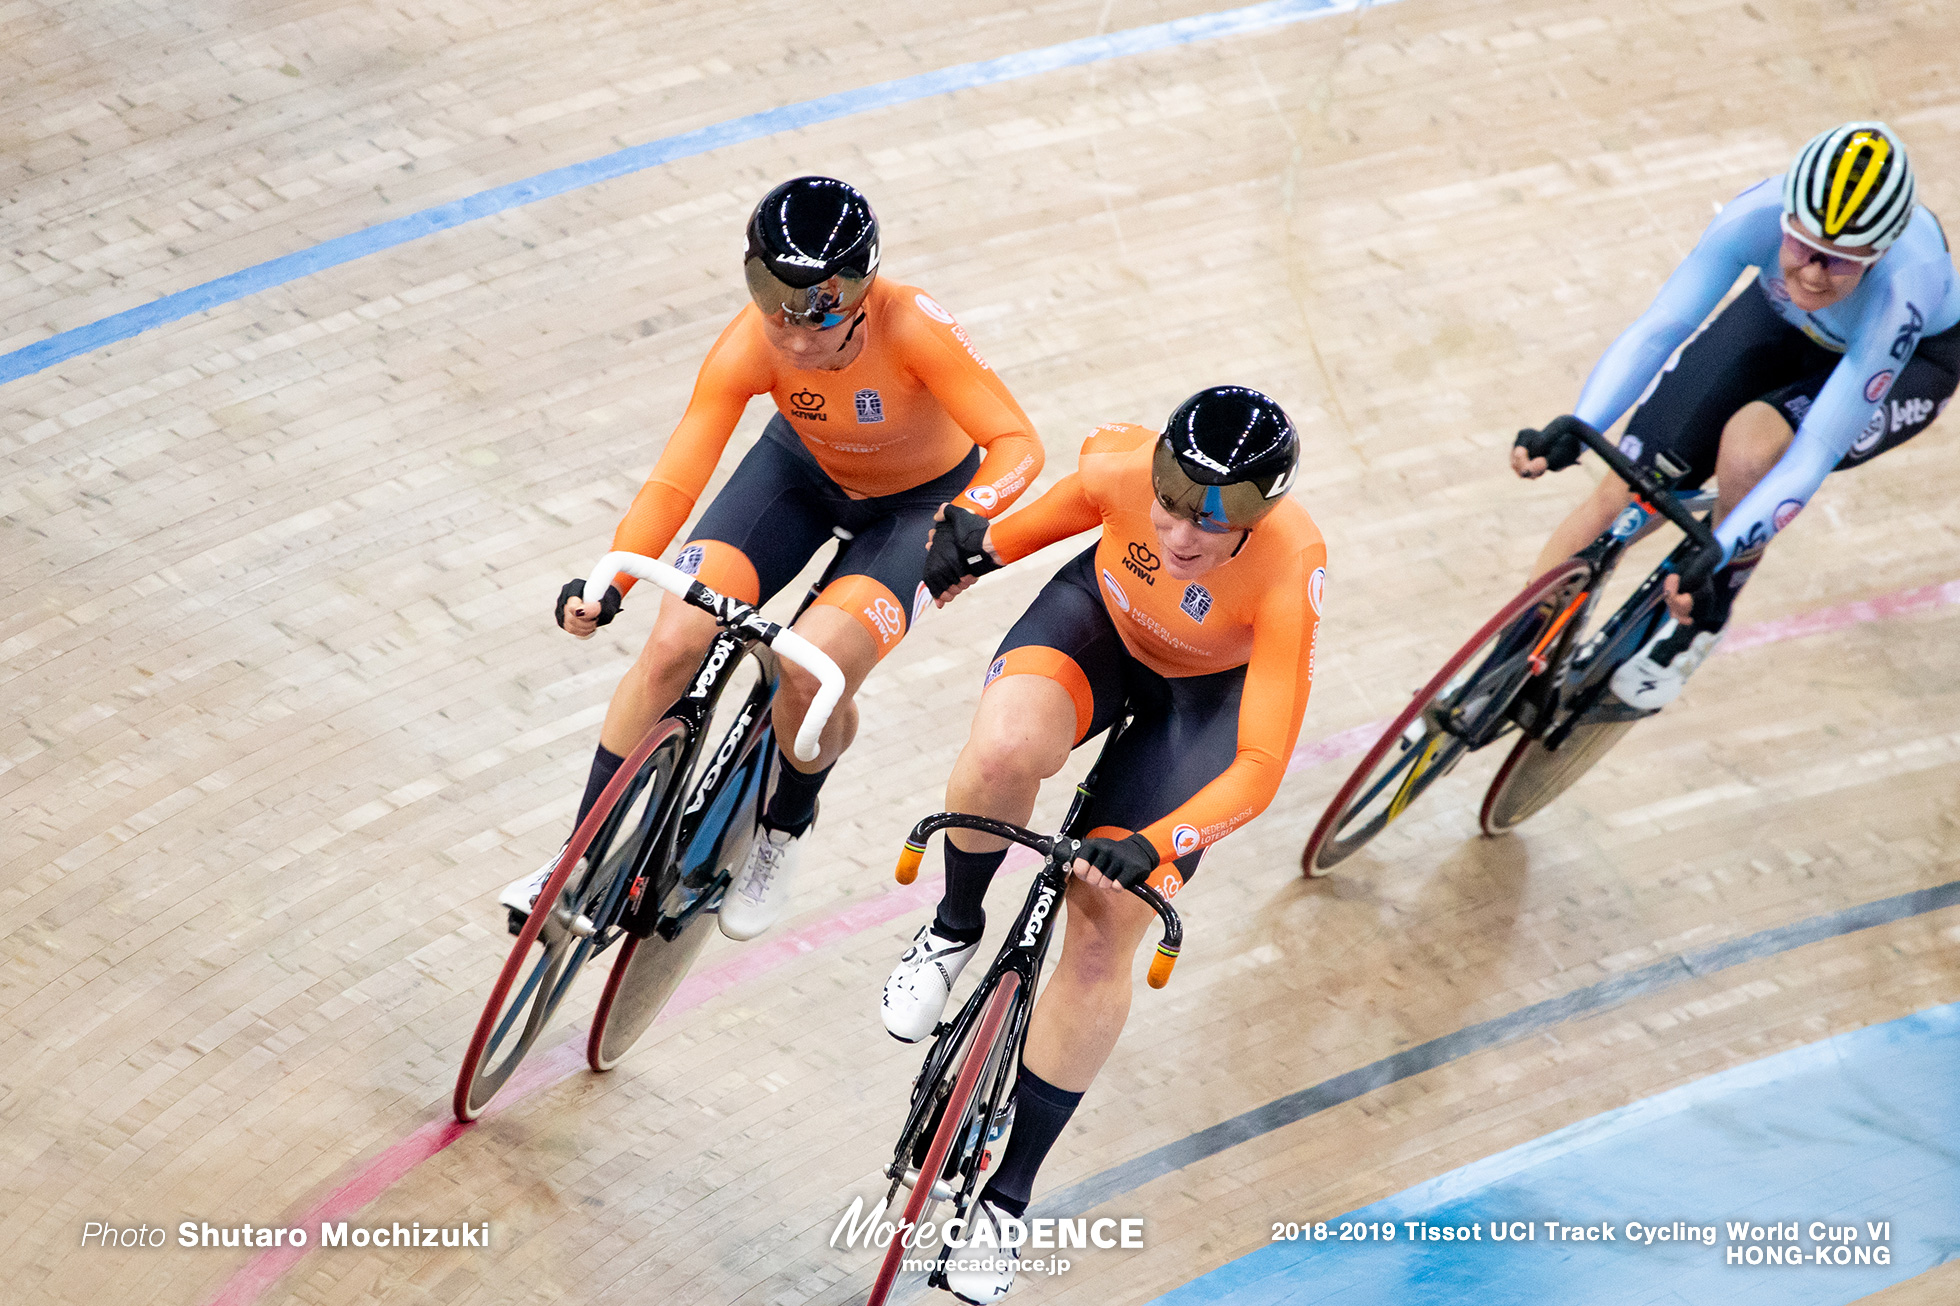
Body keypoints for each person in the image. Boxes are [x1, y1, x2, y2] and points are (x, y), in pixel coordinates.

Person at [502, 176, 1044, 940]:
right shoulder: (748, 342)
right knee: (672, 643)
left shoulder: (913, 325)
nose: (792, 343)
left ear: (857, 294)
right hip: (796, 476)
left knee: (809, 669)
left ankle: (783, 828)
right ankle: (575, 859)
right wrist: (613, 575)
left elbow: (1021, 442)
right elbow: (676, 477)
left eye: (816, 325)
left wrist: (971, 515)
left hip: (916, 510)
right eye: (777, 319)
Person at [881, 386, 1325, 1303]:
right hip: (1100, 626)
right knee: (1005, 748)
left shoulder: (1292, 567)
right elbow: (1053, 518)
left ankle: (1005, 1200)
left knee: (1105, 920)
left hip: (1204, 709)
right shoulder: (1122, 467)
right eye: (1172, 499)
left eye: (1219, 516)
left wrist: (1159, 842)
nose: (1183, 531)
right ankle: (954, 929)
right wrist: (979, 546)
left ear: (1262, 512)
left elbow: (1261, 764)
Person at [1514, 121, 1959, 708]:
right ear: (1786, 219)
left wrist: (1720, 551)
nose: (1812, 272)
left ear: (1877, 258)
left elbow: (1815, 451)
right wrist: (1580, 424)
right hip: (1780, 320)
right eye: (1804, 247)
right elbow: (1660, 329)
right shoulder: (1755, 214)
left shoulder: (1906, 287)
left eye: (1841, 262)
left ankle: (1706, 617)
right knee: (1624, 488)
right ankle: (1504, 659)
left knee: (1750, 451)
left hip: (1899, 362)